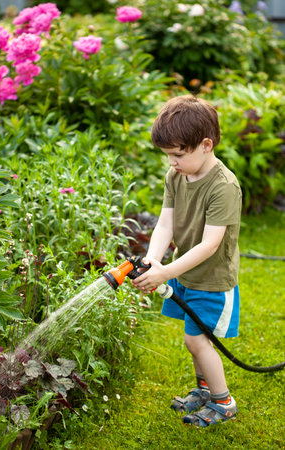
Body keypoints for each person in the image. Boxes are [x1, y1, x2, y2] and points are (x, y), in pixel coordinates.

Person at [132, 95, 242, 427]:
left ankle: (223, 402)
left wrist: (166, 271)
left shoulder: (224, 187)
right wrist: (154, 260)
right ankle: (205, 390)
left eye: (178, 155)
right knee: (194, 339)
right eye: (168, 156)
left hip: (211, 278)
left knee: (196, 339)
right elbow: (165, 223)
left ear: (206, 145)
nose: (171, 163)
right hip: (183, 272)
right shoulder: (176, 177)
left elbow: (209, 245)